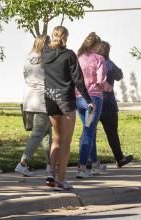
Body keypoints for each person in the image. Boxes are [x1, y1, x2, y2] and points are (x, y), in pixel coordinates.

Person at [42, 26, 93, 191]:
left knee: (56, 138)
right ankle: (61, 179)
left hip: (50, 98)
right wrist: (88, 99)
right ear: (66, 37)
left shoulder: (45, 54)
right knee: (65, 141)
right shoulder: (69, 55)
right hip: (65, 99)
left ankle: (51, 174)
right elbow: (78, 79)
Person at [15, 35, 52, 179]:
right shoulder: (47, 58)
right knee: (38, 134)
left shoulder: (28, 57)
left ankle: (50, 165)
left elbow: (25, 75)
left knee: (46, 133)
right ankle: (23, 163)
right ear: (46, 44)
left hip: (29, 98)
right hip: (42, 99)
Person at [93, 41, 133, 169]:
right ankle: (119, 158)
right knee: (112, 133)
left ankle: (89, 160)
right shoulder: (108, 64)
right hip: (108, 104)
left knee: (89, 132)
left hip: (92, 103)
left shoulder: (91, 63)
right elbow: (119, 75)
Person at [74, 32, 107, 179]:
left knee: (90, 129)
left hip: (79, 98)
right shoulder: (99, 59)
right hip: (93, 99)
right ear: (97, 45)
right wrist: (108, 88)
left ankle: (94, 164)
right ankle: (82, 167)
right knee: (88, 131)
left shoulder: (79, 58)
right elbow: (100, 81)